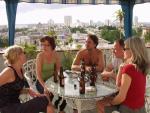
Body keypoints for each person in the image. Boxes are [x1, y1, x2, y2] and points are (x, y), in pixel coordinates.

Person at [97, 37, 149, 113]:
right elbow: (118, 85)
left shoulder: (129, 69)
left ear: (132, 51)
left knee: (100, 103)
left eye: (125, 49)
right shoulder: (141, 66)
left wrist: (111, 103)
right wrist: (121, 68)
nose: (123, 51)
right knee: (106, 100)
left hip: (128, 109)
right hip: (141, 108)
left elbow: (121, 97)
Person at [0, 45, 54, 113]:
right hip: (8, 109)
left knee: (49, 107)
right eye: (23, 52)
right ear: (18, 55)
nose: (25, 54)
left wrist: (27, 90)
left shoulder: (21, 70)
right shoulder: (9, 71)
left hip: (17, 105)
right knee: (45, 98)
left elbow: (13, 90)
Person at [36, 36, 66, 113]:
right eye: (42, 44)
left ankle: (59, 108)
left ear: (52, 45)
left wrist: (61, 78)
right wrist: (45, 86)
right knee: (47, 94)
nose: (44, 47)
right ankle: (50, 109)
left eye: (47, 45)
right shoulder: (40, 56)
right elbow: (38, 75)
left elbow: (59, 69)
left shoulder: (55, 54)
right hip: (41, 82)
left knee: (64, 91)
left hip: (52, 80)